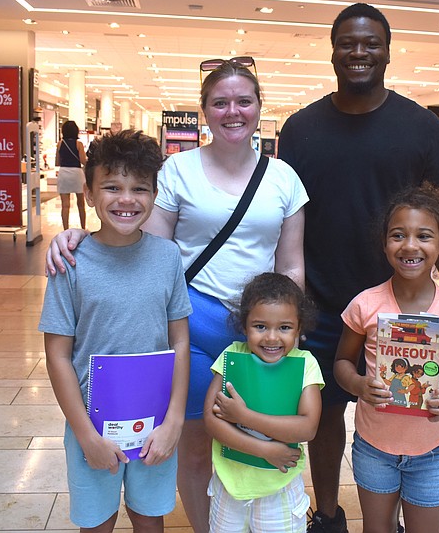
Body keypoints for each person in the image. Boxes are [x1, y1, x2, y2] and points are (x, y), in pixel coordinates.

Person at [45, 58, 308, 533]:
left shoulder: (284, 178)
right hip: (193, 319)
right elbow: (142, 246)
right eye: (220, 102)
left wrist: (290, 330)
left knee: (255, 433)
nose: (233, 111)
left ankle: (251, 520)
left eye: (243, 101)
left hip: (262, 330)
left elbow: (291, 265)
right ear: (204, 110)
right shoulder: (176, 171)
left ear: (259, 107)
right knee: (191, 445)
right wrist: (79, 237)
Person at [277, 2, 439, 533]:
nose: (359, 52)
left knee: (401, 408)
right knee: (323, 413)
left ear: (388, 52)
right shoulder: (300, 129)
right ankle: (327, 513)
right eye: (348, 42)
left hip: (404, 304)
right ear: (332, 51)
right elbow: (286, 215)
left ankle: (396, 506)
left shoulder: (421, 127)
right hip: (322, 302)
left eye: (371, 43)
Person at [39, 130, 192, 532]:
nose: (127, 199)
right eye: (112, 187)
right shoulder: (70, 263)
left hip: (154, 422)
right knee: (96, 520)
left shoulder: (167, 257)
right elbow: (57, 355)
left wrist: (174, 420)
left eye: (139, 188)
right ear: (88, 193)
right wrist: (85, 435)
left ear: (155, 194)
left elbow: (179, 340)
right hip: (91, 424)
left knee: (150, 516)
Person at [334, 184, 439, 533]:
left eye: (424, 236)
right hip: (374, 448)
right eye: (398, 235)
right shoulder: (365, 304)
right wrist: (358, 384)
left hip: (431, 451)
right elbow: (341, 363)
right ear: (385, 243)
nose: (410, 245)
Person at [203, 272, 323, 532]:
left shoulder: (306, 365)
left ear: (299, 328)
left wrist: (244, 416)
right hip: (230, 485)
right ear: (244, 325)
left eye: (284, 327)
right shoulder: (231, 356)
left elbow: (307, 428)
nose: (271, 338)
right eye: (260, 326)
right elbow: (211, 420)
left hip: (279, 487)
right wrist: (264, 450)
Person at [55, 120, 88, 229]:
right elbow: (83, 161)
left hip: (64, 173)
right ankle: (83, 227)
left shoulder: (60, 143)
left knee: (65, 205)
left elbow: (57, 162)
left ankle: (65, 229)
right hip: (77, 173)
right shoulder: (79, 144)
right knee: (81, 204)